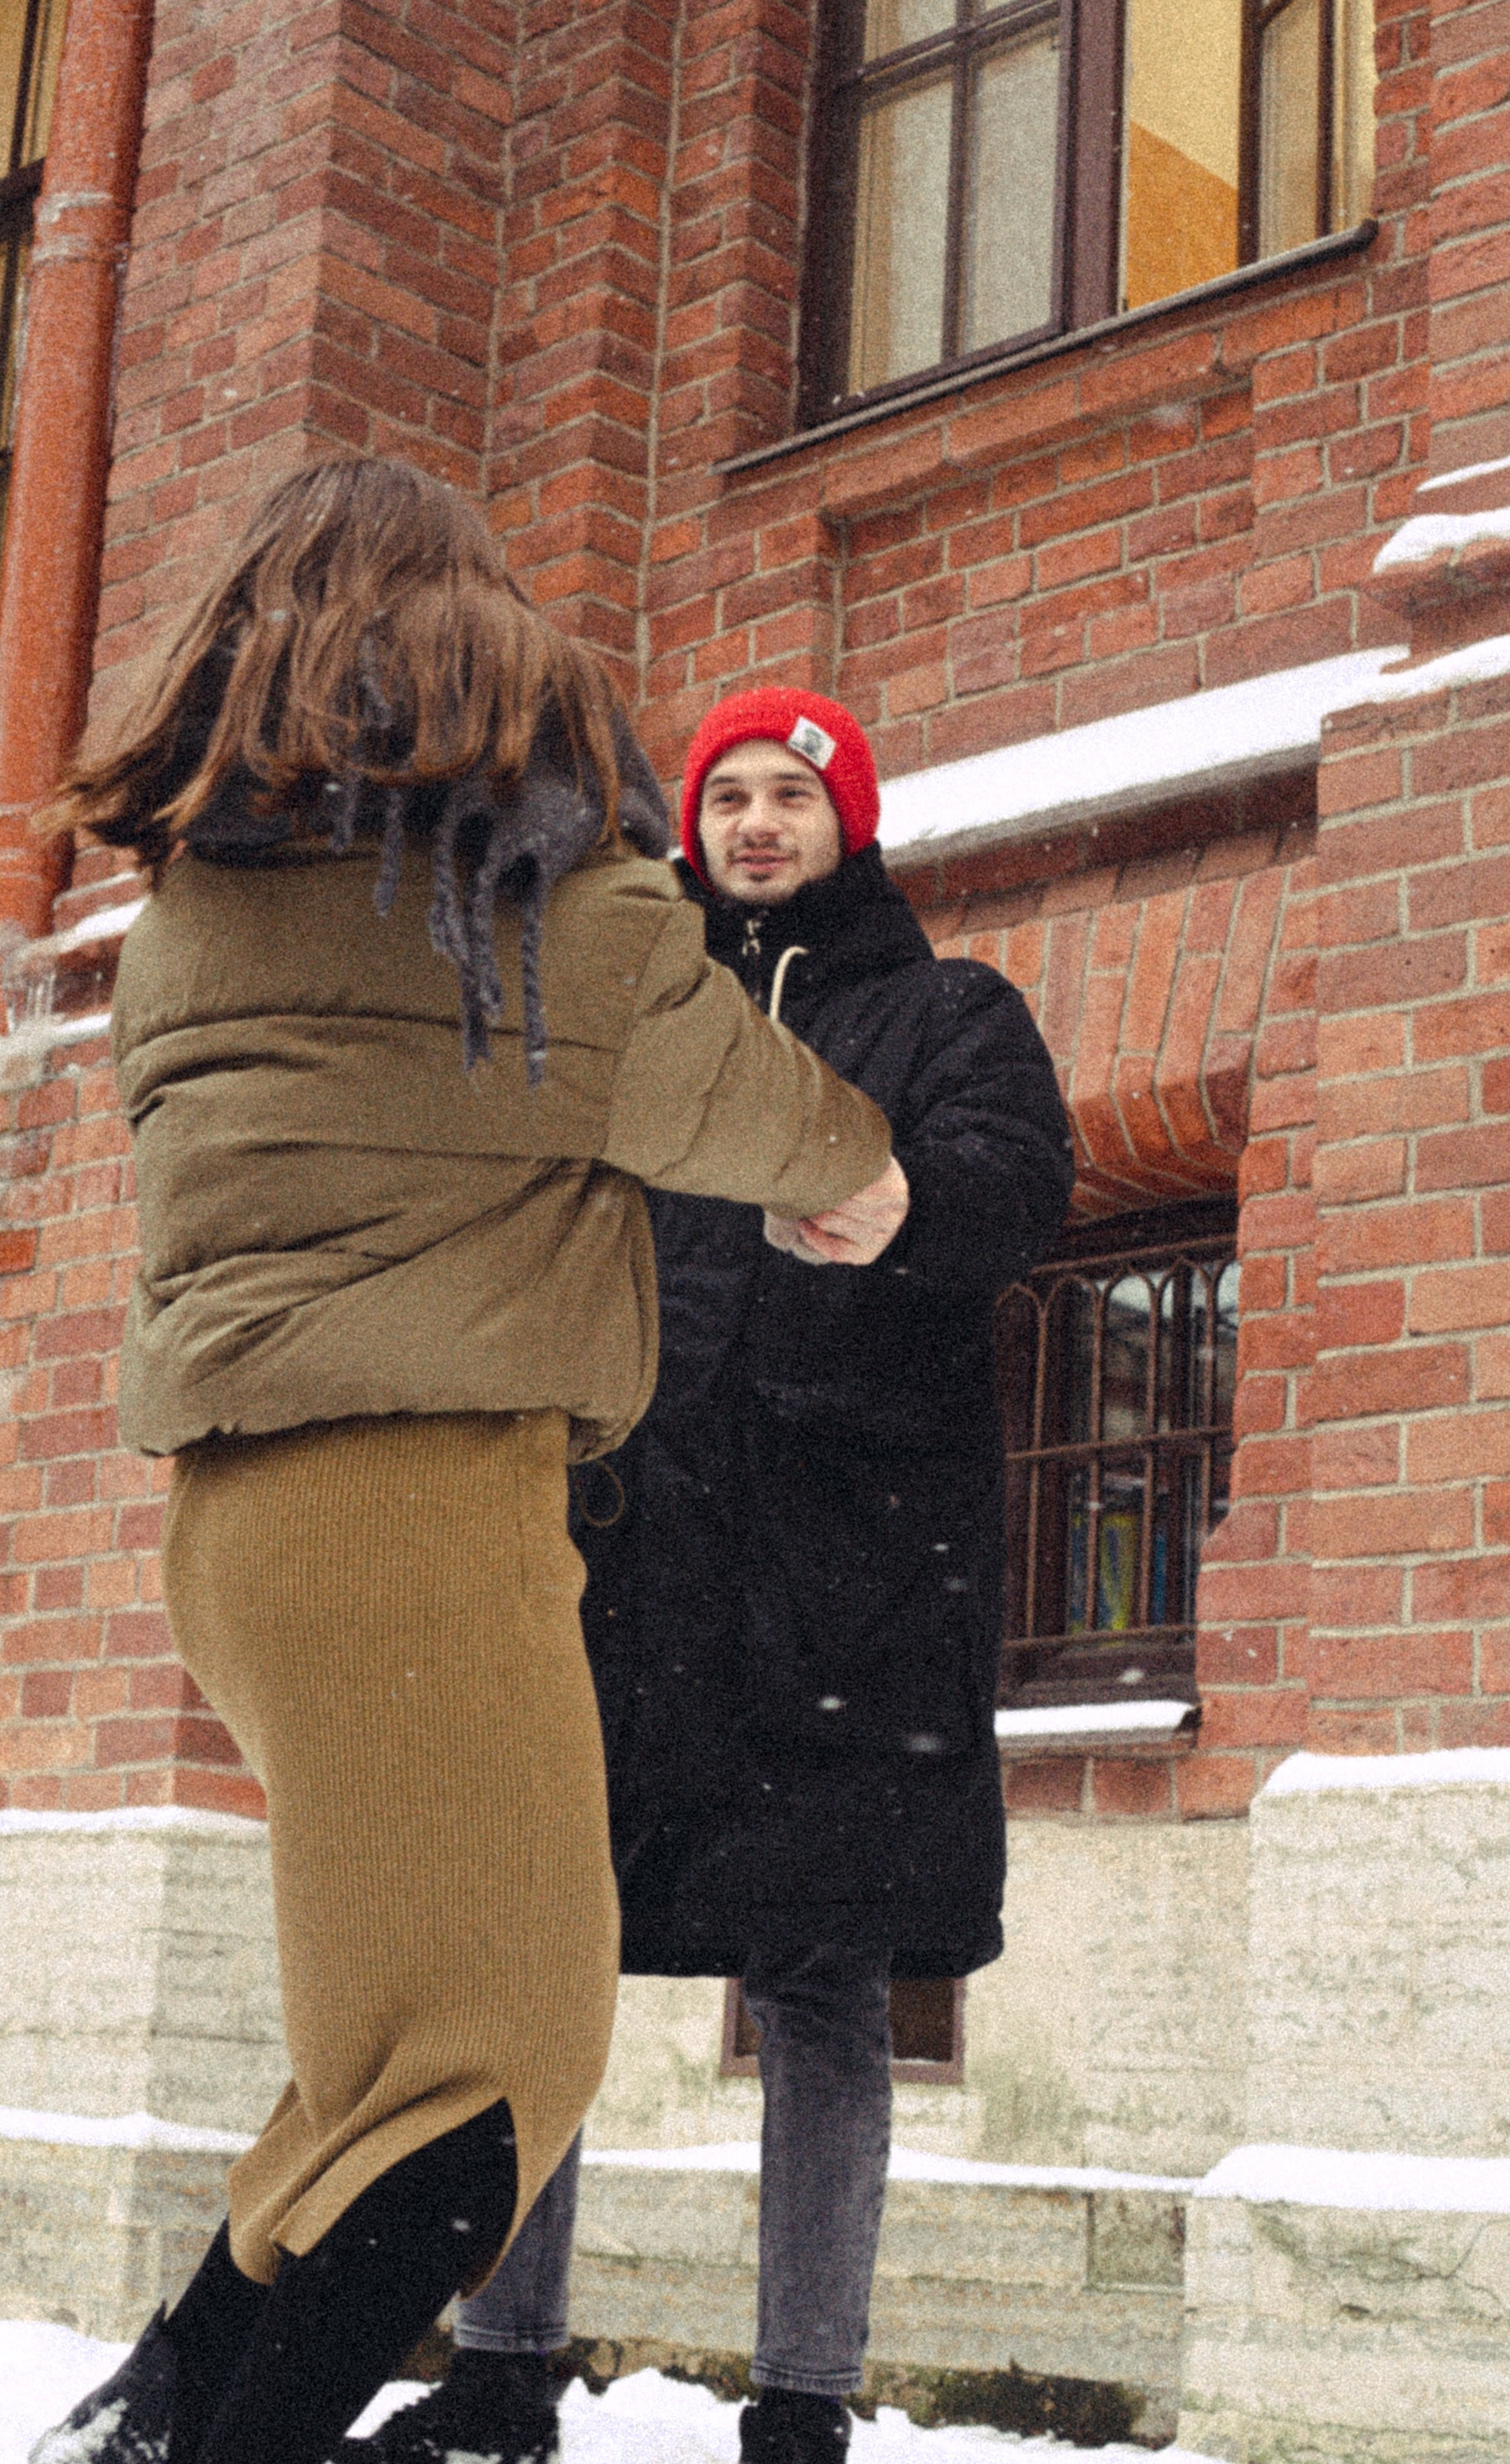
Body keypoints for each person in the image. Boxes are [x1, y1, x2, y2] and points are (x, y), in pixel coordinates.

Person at [27, 474, 908, 2464]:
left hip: (244, 1533)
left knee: (371, 2073)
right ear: (482, 652)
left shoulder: (185, 918)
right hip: (424, 1518)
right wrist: (866, 1175)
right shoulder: (540, 914)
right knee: (503, 2063)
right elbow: (774, 1121)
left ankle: (161, 2418)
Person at [366, 688, 1074, 2464]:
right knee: (551, 1960)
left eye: (791, 793)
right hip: (627, 1570)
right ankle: (507, 2364)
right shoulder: (624, 1032)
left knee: (827, 1986)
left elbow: (1017, 1191)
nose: (757, 821)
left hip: (854, 1581)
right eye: (729, 795)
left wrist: (902, 1201)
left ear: (854, 821)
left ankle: (805, 2405)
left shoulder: (945, 1014)